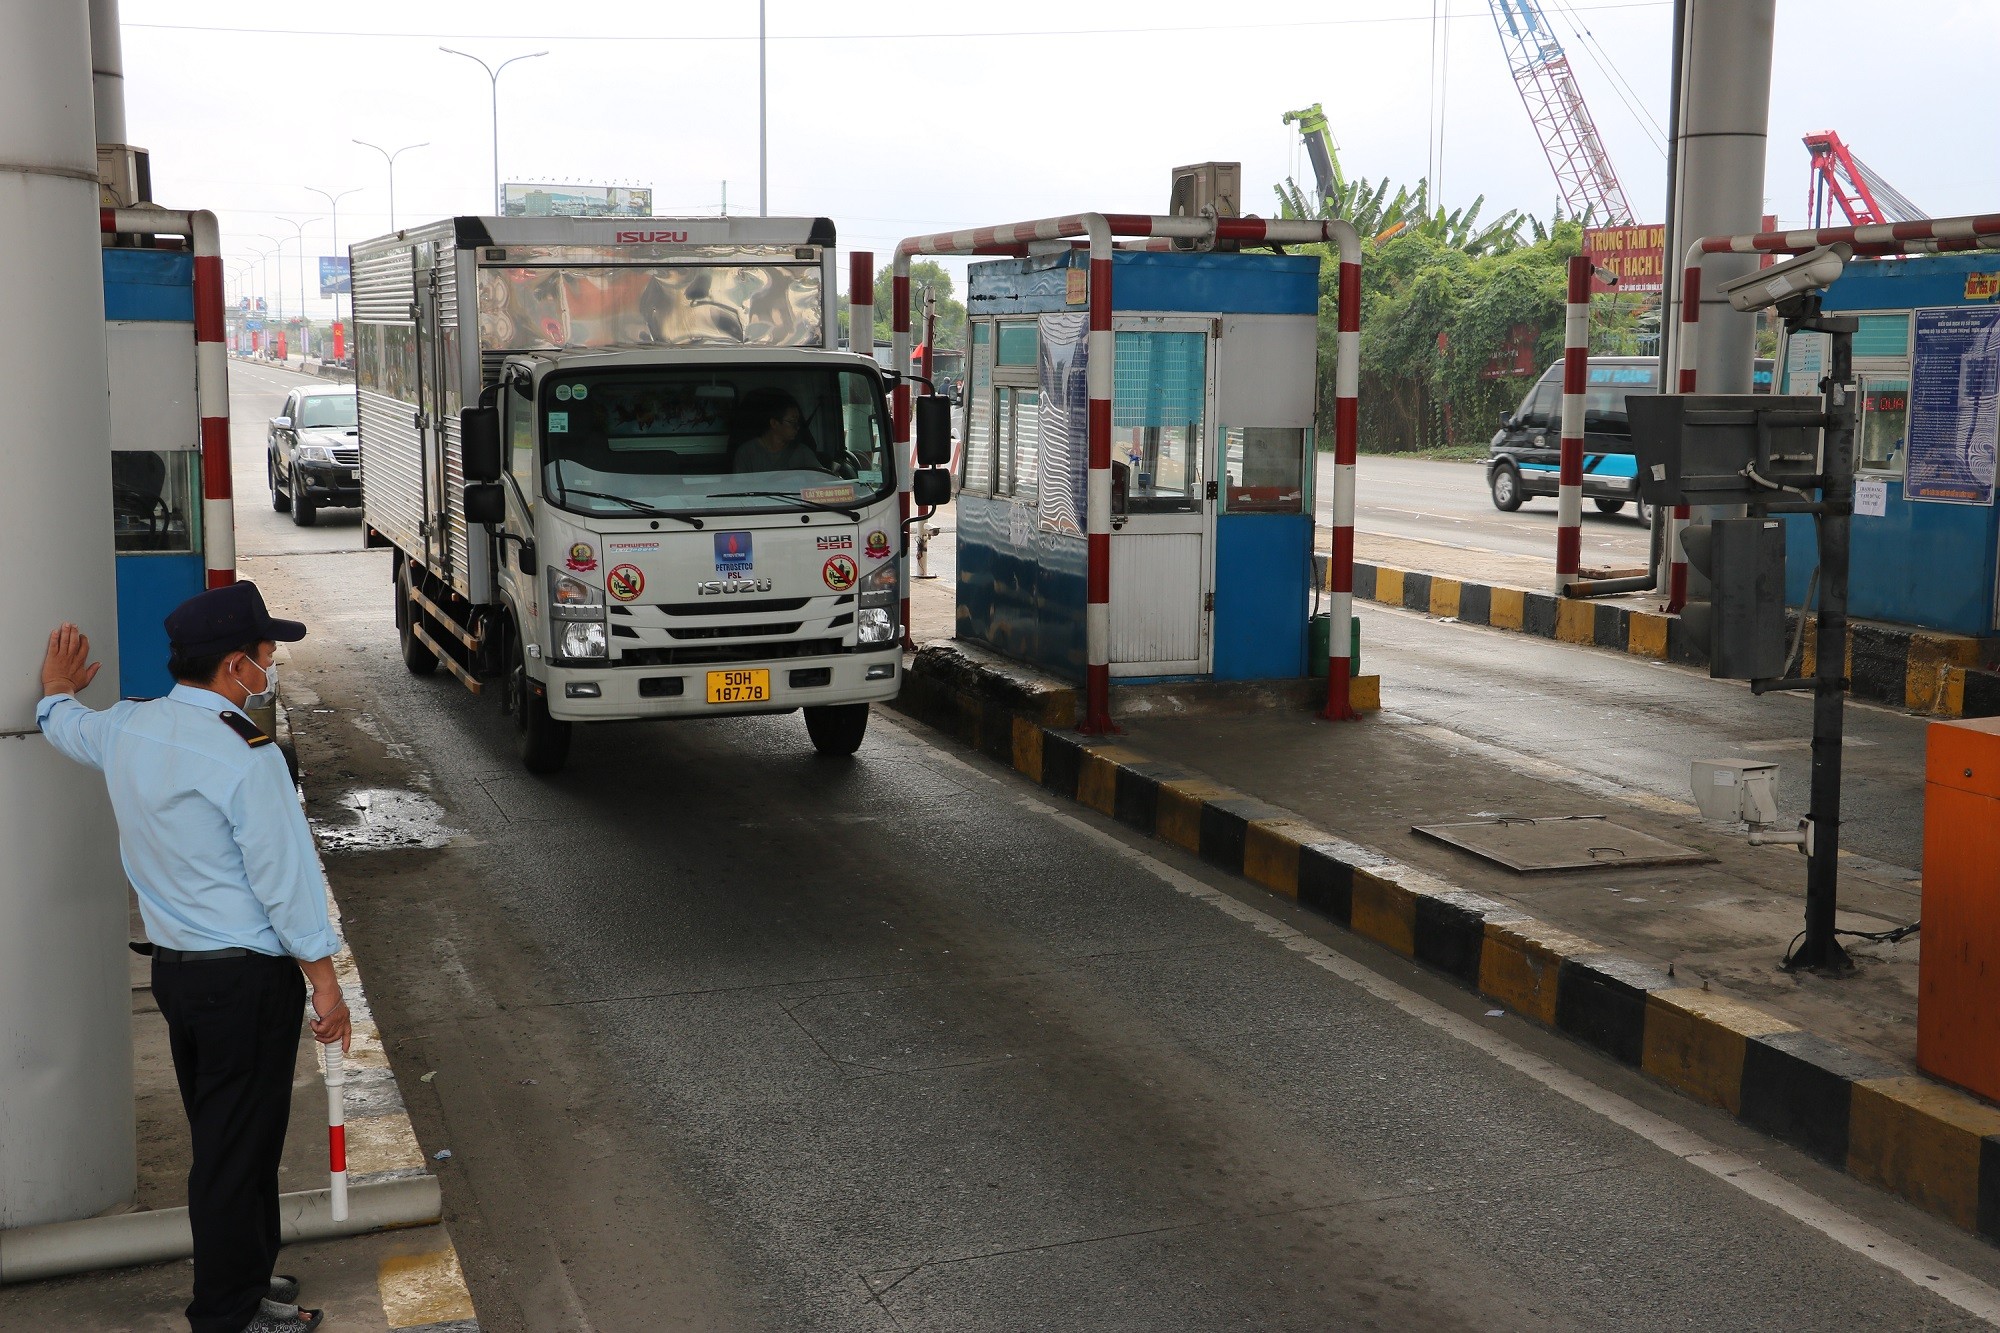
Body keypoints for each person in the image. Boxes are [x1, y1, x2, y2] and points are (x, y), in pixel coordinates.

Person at [37, 582, 351, 1333]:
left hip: (181, 977)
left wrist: (54, 690)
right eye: (268, 653)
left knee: (234, 1140)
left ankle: (243, 1276)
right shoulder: (247, 756)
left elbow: (62, 724)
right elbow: (286, 881)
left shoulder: (129, 727)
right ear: (236, 665)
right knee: (233, 1152)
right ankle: (228, 1314)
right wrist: (327, 987)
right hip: (244, 981)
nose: (273, 663)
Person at [730, 388, 822, 473]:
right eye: (792, 422)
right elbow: (740, 487)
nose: (797, 427)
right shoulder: (746, 453)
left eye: (798, 422)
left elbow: (820, 479)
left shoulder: (803, 452)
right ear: (774, 423)